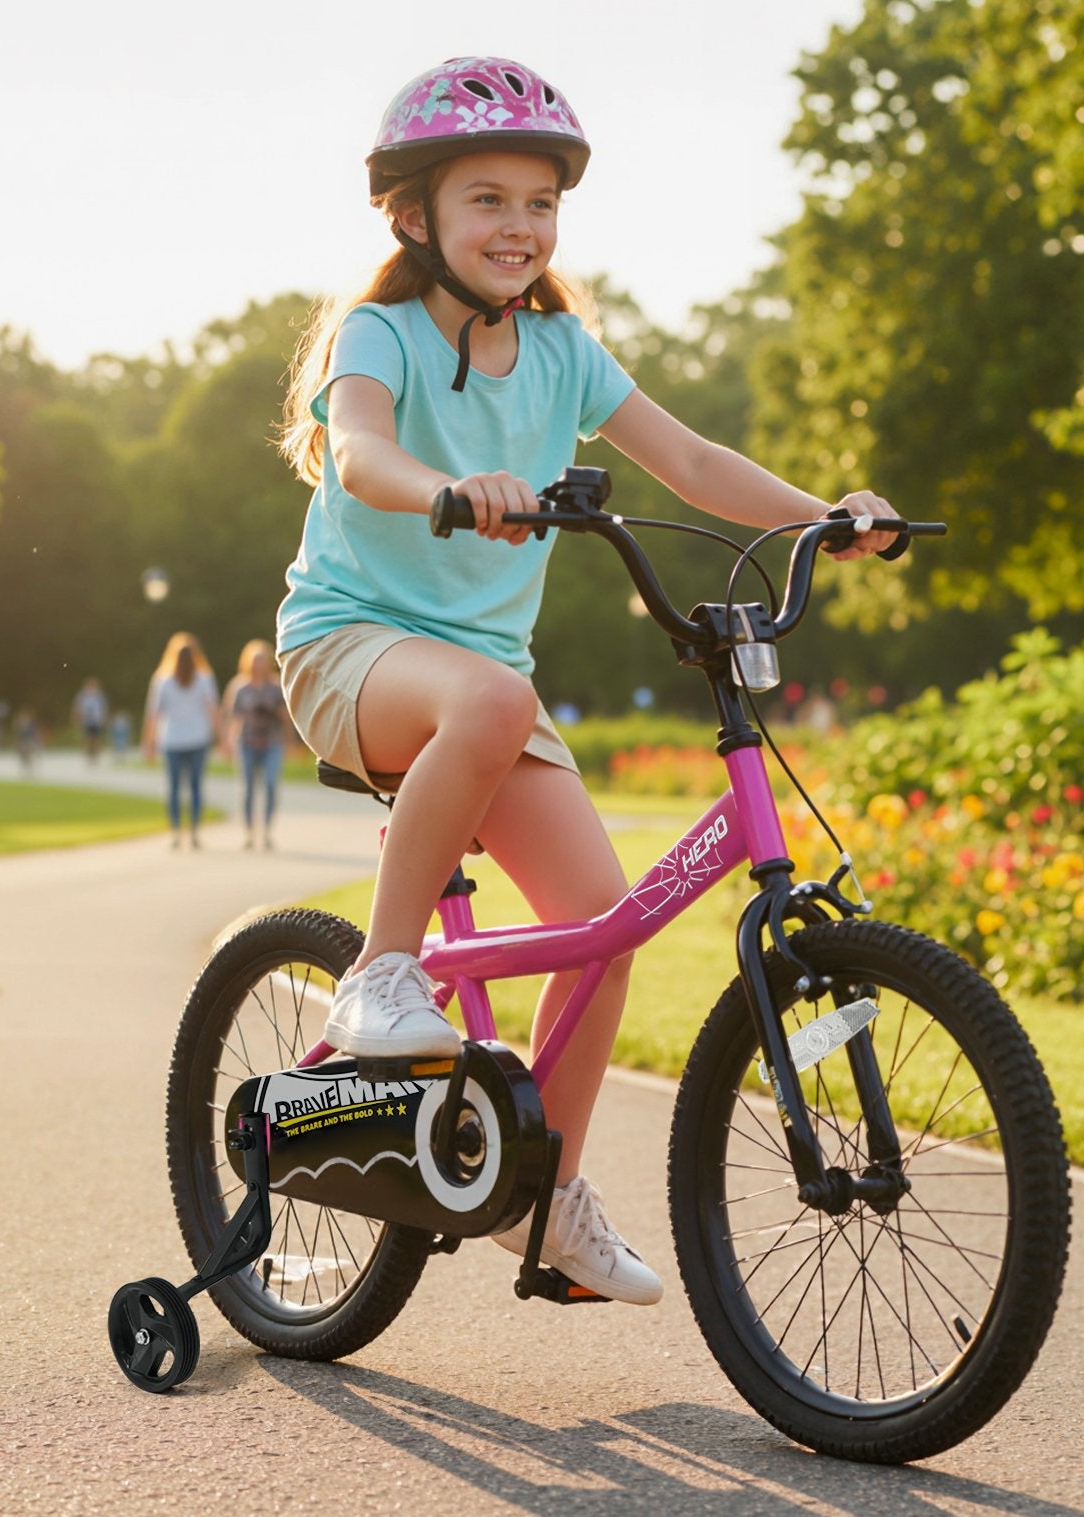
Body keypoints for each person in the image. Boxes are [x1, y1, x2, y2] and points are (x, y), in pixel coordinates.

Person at [274, 56, 903, 1306]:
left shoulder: (562, 353)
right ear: (416, 216)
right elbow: (358, 450)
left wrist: (820, 514)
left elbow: (689, 457)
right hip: (350, 648)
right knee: (494, 700)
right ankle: (382, 977)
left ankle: (540, 1196)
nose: (518, 227)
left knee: (605, 924)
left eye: (539, 204)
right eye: (487, 200)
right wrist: (452, 491)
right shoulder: (379, 331)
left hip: (482, 686)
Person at [143, 633, 218, 848]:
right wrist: (220, 737)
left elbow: (153, 715)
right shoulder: (204, 679)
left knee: (174, 788)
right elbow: (213, 710)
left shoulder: (163, 680)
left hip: (172, 740)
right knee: (195, 787)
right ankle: (193, 831)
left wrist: (149, 743)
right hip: (197, 739)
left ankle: (176, 832)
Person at [222, 640, 291, 849]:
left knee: (270, 785)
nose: (257, 665)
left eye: (261, 660)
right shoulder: (240, 688)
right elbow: (232, 717)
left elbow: (287, 718)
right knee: (248, 788)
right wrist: (226, 742)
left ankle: (267, 830)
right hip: (246, 743)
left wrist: (290, 742)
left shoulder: (276, 687)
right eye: (254, 660)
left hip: (271, 742)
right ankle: (250, 832)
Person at [72, 677, 109, 762]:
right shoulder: (82, 696)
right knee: (87, 738)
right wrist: (77, 718)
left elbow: (104, 708)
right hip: (86, 721)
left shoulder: (100, 696)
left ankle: (96, 756)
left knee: (97, 738)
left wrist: (104, 718)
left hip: (97, 721)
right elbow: (78, 707)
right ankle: (88, 756)